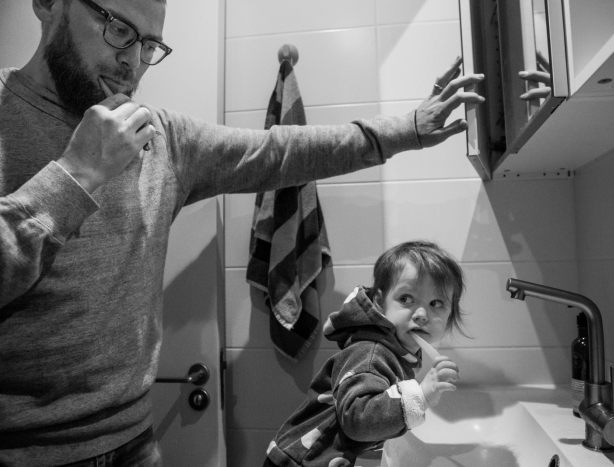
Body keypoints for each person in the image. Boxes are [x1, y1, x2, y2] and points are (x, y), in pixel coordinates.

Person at [0, 0, 485, 465]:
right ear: (48, 3)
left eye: (149, 45)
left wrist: (407, 130)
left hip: (134, 442)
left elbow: (280, 152)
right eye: (119, 30)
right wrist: (78, 173)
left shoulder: (161, 138)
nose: (133, 63)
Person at [263, 240, 466, 467]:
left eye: (436, 303)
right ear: (380, 302)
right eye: (406, 299)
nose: (421, 313)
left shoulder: (396, 350)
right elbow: (358, 421)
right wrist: (423, 394)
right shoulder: (370, 353)